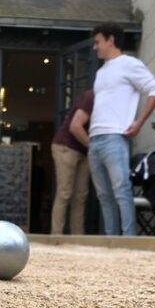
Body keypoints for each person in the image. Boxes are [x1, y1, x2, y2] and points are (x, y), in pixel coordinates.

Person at [89, 23, 155, 236]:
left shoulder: (129, 63)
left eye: (98, 42)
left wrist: (138, 122)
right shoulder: (101, 72)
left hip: (115, 137)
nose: (95, 47)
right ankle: (112, 240)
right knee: (104, 195)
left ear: (111, 40)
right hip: (95, 138)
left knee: (121, 190)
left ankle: (128, 240)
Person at [50, 89, 94, 235]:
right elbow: (75, 127)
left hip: (84, 151)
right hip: (66, 147)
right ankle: (56, 236)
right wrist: (93, 147)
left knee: (80, 196)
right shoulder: (91, 96)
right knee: (65, 192)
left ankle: (77, 238)